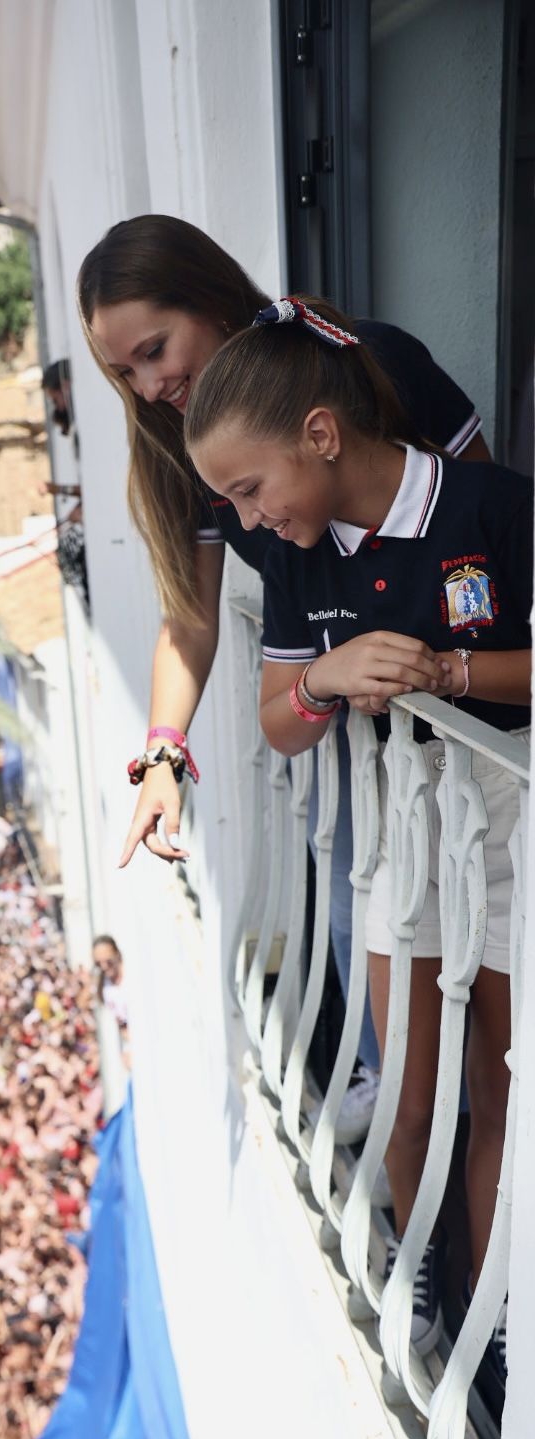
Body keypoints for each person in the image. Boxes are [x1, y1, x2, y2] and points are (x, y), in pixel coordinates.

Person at [78, 214, 492, 1141]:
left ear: (211, 296)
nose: (150, 386)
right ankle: (407, 1113)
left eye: (155, 349)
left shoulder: (375, 363)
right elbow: (190, 616)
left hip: (471, 720)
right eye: (125, 373)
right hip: (355, 731)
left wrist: (440, 657)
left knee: (482, 957)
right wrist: (162, 757)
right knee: (364, 924)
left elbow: (487, 516)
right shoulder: (184, 451)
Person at [183, 293, 532, 1370]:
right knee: (411, 1096)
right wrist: (329, 678)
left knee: (497, 1092)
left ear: (322, 436)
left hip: (508, 828)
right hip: (400, 821)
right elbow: (280, 724)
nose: (244, 520)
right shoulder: (296, 558)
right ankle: (428, 1275)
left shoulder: (493, 508)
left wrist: (456, 673)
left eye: (250, 489)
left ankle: (495, 1327)